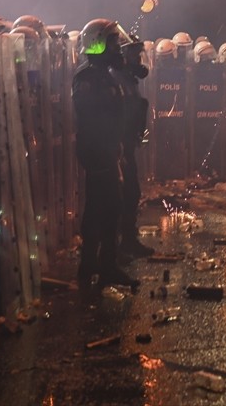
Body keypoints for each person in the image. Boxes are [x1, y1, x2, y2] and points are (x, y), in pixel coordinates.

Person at [72, 19, 139, 290]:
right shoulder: (87, 77)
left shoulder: (105, 75)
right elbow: (91, 118)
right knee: (103, 209)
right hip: (98, 153)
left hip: (108, 151)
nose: (117, 49)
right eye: (112, 42)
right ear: (98, 43)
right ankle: (94, 267)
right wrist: (107, 148)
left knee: (110, 208)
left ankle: (100, 265)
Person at [114, 32, 155, 261]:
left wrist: (142, 139)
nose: (138, 59)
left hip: (128, 144)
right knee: (121, 195)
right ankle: (119, 246)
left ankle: (128, 241)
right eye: (133, 53)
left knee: (131, 192)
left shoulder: (128, 79)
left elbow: (139, 112)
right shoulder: (117, 77)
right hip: (118, 147)